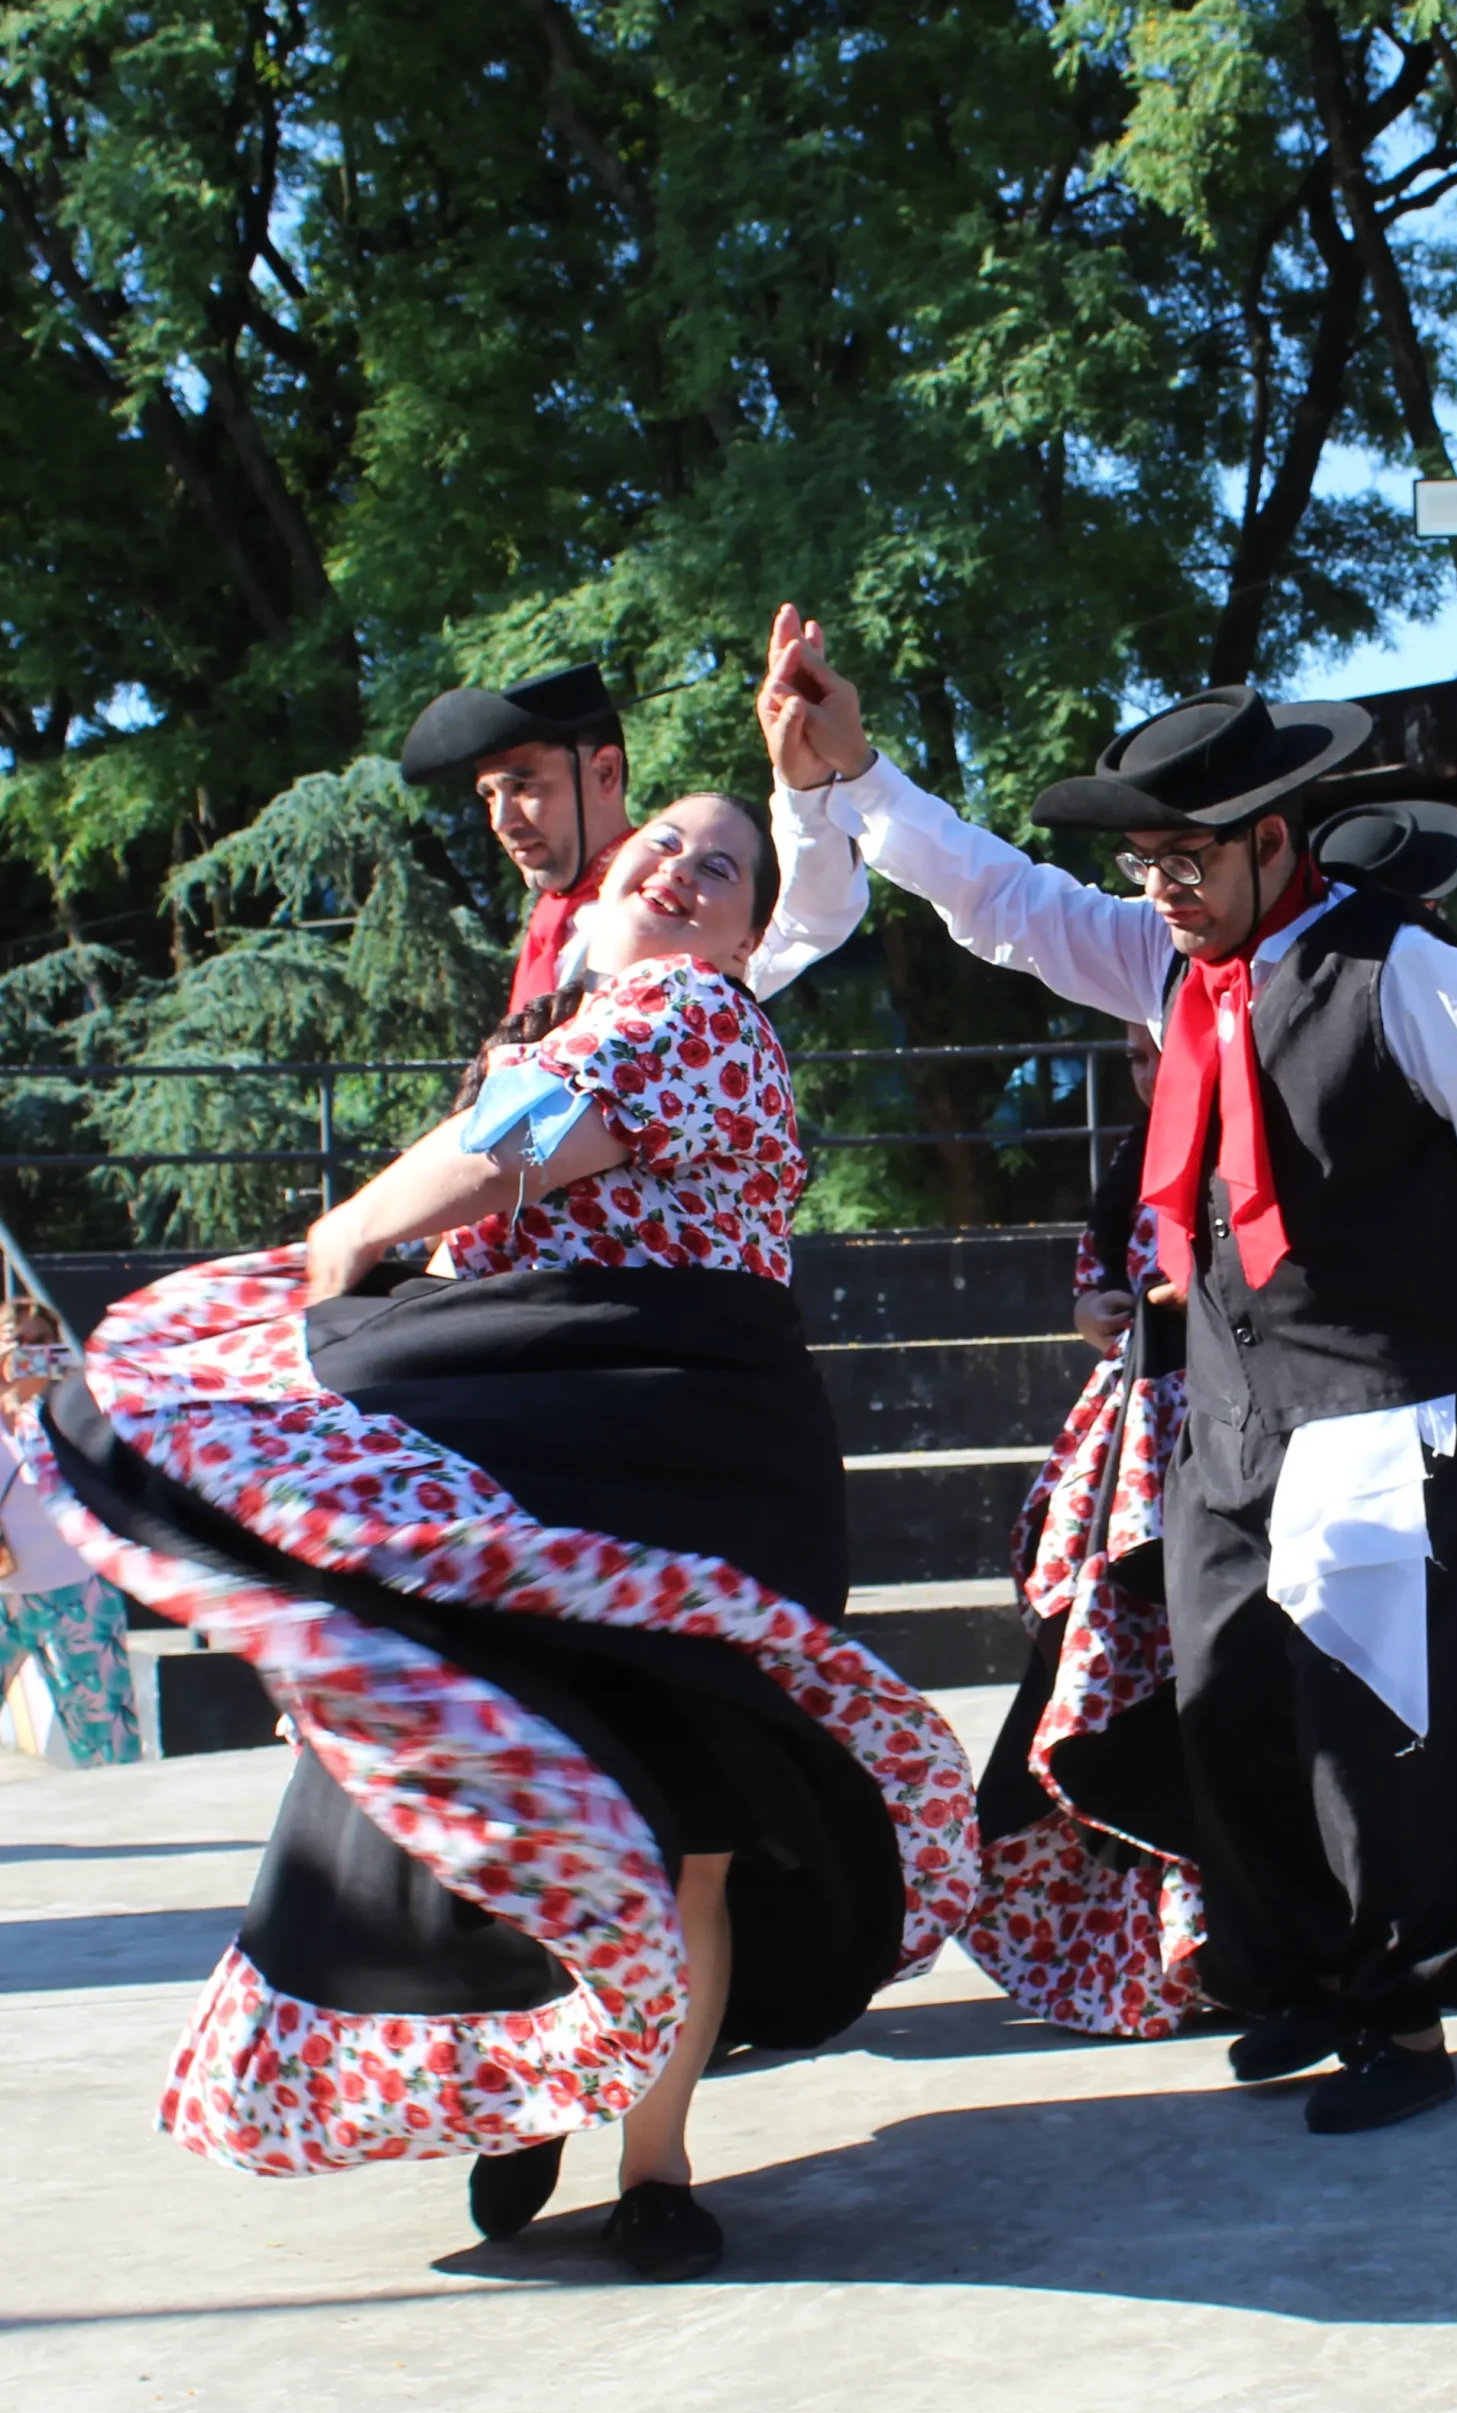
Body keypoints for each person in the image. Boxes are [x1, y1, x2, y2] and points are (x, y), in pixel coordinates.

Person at [26, 789, 978, 2276]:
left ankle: (651, 2166)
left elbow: (493, 1162)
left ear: (748, 928)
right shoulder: (546, 1037)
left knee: (686, 1842)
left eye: (722, 870)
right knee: (535, 1800)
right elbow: (498, 1145)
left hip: (679, 1466)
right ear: (610, 884)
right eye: (663, 844)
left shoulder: (688, 1014)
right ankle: (541, 2079)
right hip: (565, 1468)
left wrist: (342, 1243)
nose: (684, 870)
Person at [759, 617, 1457, 2131]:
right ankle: (1300, 1973)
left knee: (1366, 1719)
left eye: (1183, 860)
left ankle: (1397, 2013)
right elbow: (1001, 902)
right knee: (1228, 1696)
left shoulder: (1396, 967)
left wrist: (1425, 1292)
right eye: (1143, 863)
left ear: (1273, 841)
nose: (1157, 889)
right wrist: (859, 774)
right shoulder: (1168, 969)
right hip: (1230, 1405)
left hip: (1384, 1399)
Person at [963, 1022, 1204, 2037]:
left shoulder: (1245, 1137)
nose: (1151, 1073)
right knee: (1105, 1672)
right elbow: (1090, 1293)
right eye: (1137, 1059)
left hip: (1219, 1436)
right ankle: (1135, 1956)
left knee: (1199, 1683)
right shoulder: (1133, 1152)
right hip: (1135, 1442)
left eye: (1163, 1052)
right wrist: (1101, 1310)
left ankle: (1220, 1940)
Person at [401, 620, 870, 1009]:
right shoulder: (554, 923)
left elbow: (812, 914)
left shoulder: (676, 916)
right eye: (489, 794)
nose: (501, 820)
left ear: (605, 772)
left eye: (524, 787)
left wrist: (806, 788)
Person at [0, 1302, 139, 1766]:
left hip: (79, 1593)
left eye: (43, 1341)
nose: (32, 1352)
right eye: (19, 1341)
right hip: (5, 1594)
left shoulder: (77, 1412)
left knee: (106, 1749)